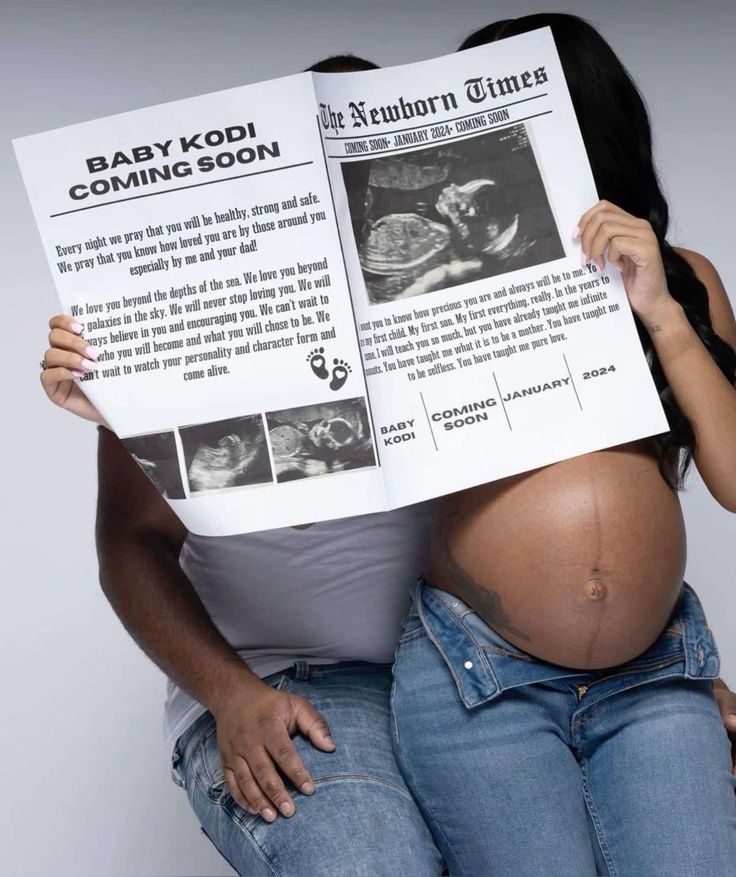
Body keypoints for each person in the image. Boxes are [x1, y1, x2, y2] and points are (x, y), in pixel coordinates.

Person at [38, 41, 736, 877]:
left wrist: (654, 661)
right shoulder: (229, 305)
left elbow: (603, 493)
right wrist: (146, 407)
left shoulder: (464, 286)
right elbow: (160, 535)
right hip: (306, 680)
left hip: (467, 662)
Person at [39, 55, 443, 877]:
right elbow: (130, 542)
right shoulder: (193, 312)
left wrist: (648, 676)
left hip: (465, 681)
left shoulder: (449, 296)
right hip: (281, 682)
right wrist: (229, 693)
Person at [388, 14, 736, 877]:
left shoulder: (684, 276)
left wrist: (659, 309)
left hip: (656, 673)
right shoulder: (432, 289)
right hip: (479, 678)